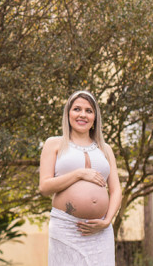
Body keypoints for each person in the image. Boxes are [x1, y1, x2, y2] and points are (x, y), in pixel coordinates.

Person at [38, 90, 122, 265]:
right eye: (77, 109)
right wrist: (79, 173)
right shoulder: (54, 144)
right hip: (67, 227)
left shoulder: (105, 149)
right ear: (68, 113)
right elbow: (44, 187)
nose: (82, 114)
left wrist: (107, 221)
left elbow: (116, 191)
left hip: (100, 231)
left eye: (89, 111)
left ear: (95, 118)